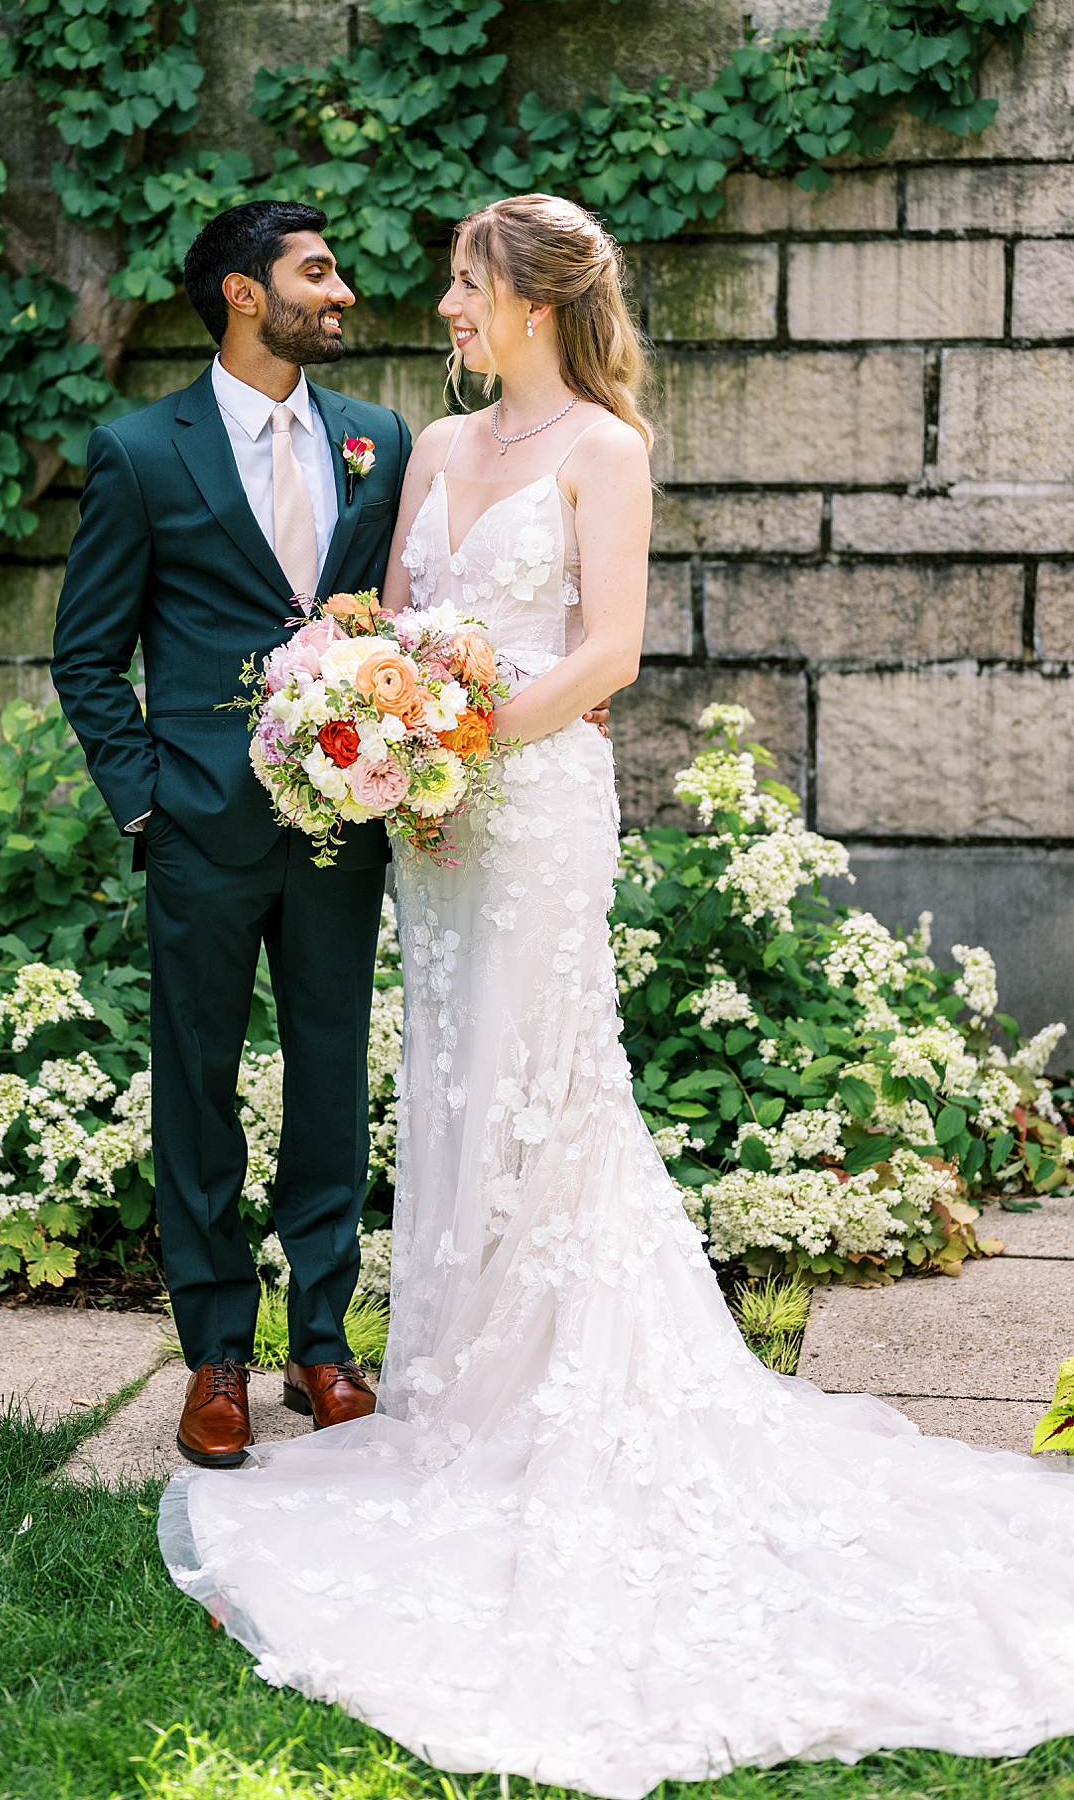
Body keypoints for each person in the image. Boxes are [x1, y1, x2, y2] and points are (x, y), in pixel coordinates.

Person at [161, 194, 1074, 1798]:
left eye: (461, 281)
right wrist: (363, 702)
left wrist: (453, 736)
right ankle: (453, 1390)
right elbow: (388, 619)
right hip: (437, 837)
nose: (439, 303)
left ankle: (564, 1391)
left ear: (528, 298)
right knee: (448, 1086)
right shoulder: (434, 457)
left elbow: (612, 652)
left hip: (529, 813)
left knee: (544, 1087)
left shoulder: (604, 447)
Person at [52, 201, 413, 1467]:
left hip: (338, 825)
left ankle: (324, 1339)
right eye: (319, 271)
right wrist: (147, 798)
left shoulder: (380, 439)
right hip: (200, 826)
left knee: (331, 1074)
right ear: (244, 294)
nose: (345, 291)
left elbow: (393, 621)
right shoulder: (142, 449)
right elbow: (88, 654)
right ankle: (216, 1352)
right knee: (197, 1085)